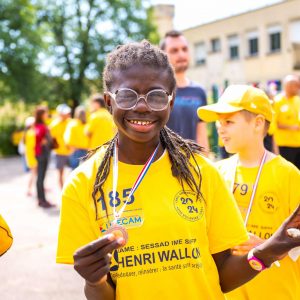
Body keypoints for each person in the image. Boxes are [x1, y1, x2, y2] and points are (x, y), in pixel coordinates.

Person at [57, 41, 300, 300]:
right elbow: (103, 295)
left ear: (170, 103)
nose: (142, 106)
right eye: (128, 95)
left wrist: (269, 250)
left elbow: (225, 276)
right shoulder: (82, 185)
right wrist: (94, 282)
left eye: (156, 96)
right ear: (108, 101)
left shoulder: (202, 172)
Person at [198, 84, 300, 299]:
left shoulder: (289, 174)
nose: (219, 128)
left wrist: (269, 248)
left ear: (258, 123)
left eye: (228, 121)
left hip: (277, 292)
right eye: (218, 122)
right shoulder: (217, 172)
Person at [160, 30, 209, 151]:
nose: (181, 54)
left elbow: (201, 134)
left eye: (184, 49)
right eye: (174, 50)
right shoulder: (156, 92)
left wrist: (204, 166)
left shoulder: (199, 92)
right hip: (162, 165)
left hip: (191, 165)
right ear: (163, 55)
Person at [273, 75, 300, 169]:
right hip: (284, 145)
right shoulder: (277, 101)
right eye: (296, 85)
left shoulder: (297, 100)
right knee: (288, 172)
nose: (298, 88)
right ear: (288, 86)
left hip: (298, 143)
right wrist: (291, 127)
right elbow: (273, 124)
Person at [34, 105, 54, 208]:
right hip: (42, 154)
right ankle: (42, 200)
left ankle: (41, 199)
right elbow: (37, 136)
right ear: (41, 114)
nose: (47, 114)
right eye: (46, 113)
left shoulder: (40, 125)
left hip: (42, 153)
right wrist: (42, 141)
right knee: (41, 177)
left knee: (41, 177)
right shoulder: (40, 126)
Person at [49, 104, 72, 189]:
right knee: (60, 173)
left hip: (71, 152)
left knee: (73, 172)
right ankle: (62, 190)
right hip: (59, 153)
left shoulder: (71, 122)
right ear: (60, 114)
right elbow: (51, 139)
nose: (67, 114)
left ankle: (70, 189)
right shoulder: (54, 125)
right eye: (65, 113)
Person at [23, 116, 38, 196]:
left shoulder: (27, 132)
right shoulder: (31, 133)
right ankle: (28, 190)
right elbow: (34, 145)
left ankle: (39, 187)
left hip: (29, 155)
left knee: (35, 173)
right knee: (33, 173)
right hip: (32, 156)